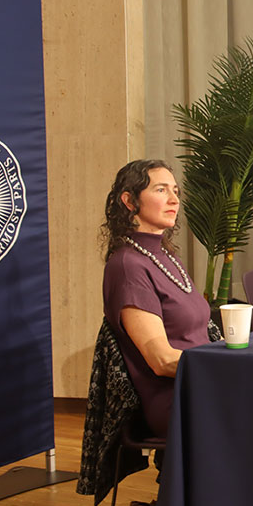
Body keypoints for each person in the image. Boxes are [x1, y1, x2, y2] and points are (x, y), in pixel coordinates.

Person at [101, 159, 211, 439]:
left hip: (205, 384)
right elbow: (161, 360)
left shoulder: (166, 256)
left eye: (175, 191)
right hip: (176, 398)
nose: (174, 199)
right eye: (161, 190)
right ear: (129, 201)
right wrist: (224, 369)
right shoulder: (128, 266)